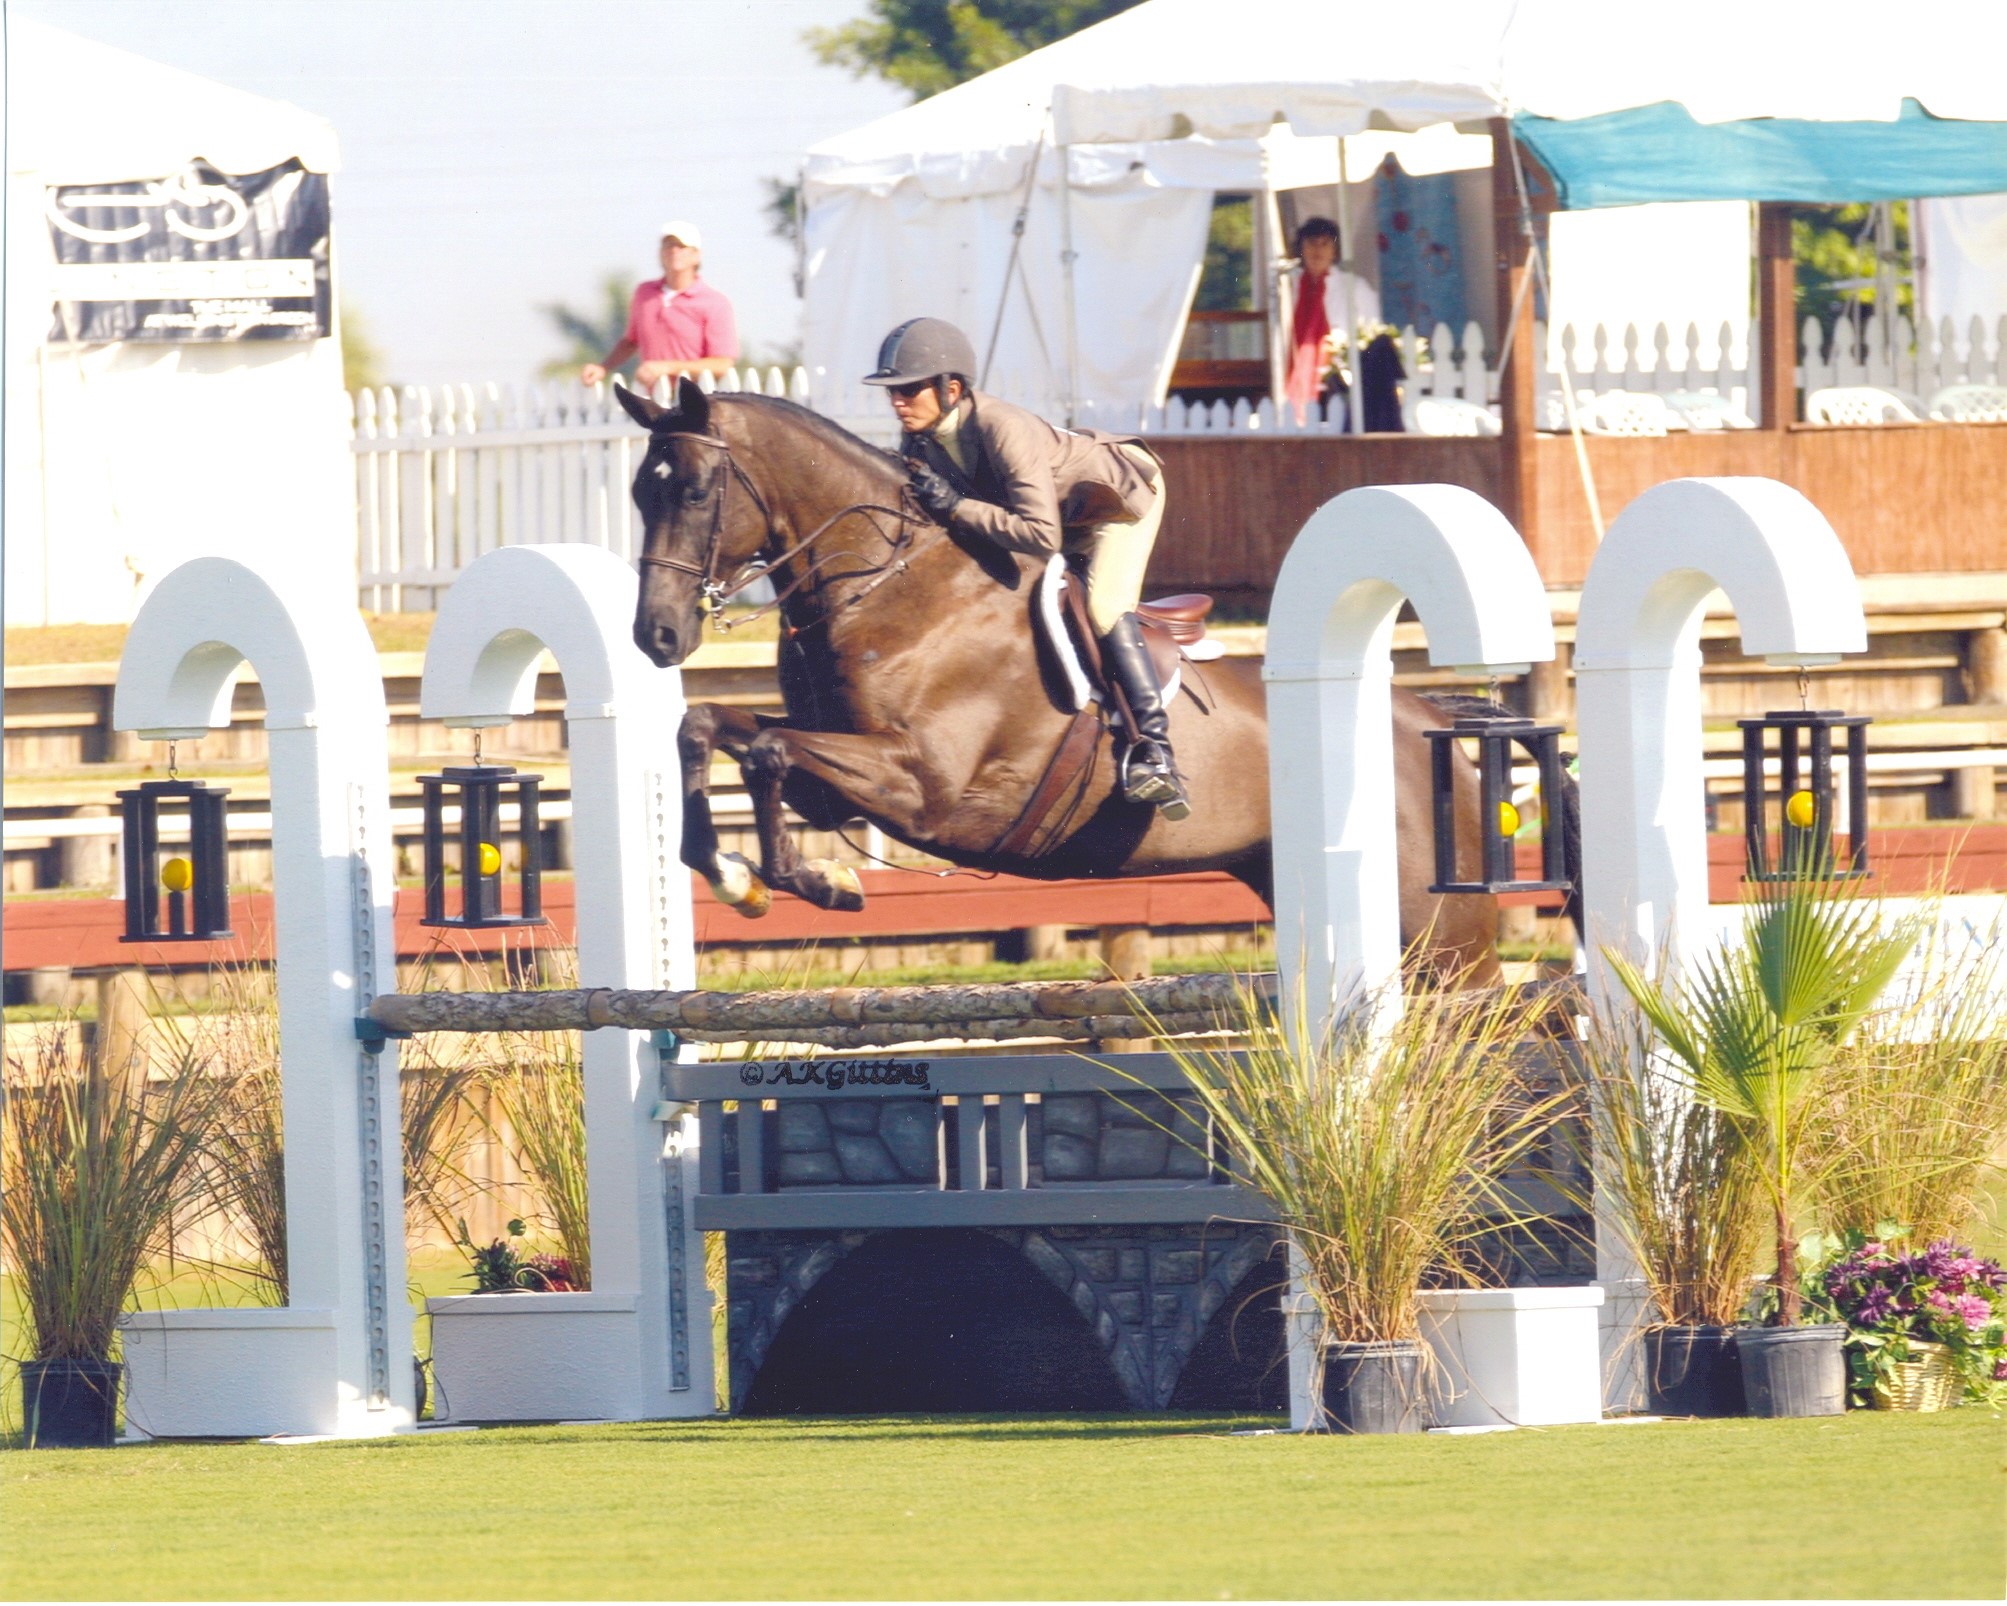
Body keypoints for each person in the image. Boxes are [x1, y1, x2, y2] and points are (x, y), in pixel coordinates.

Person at [863, 316, 1191, 822]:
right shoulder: (921, 442)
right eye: (893, 392)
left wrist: (955, 508)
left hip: (1118, 501)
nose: (897, 401)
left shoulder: (1002, 427)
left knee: (1103, 607)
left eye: (908, 390)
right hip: (1064, 508)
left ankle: (1155, 752)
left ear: (951, 388)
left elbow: (1040, 536)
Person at [582, 220, 738, 390]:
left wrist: (666, 368)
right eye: (668, 245)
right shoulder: (644, 293)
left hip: (696, 401)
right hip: (652, 400)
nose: (674, 251)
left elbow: (722, 363)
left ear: (696, 255)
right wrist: (603, 367)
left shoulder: (714, 302)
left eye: (681, 246)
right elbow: (630, 341)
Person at [1285, 216, 1381, 426]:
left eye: (1325, 244)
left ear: (1335, 251)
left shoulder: (1355, 287)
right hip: (1294, 375)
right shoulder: (1287, 288)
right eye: (1311, 243)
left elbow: (1373, 331)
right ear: (1301, 248)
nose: (1317, 251)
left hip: (1339, 380)